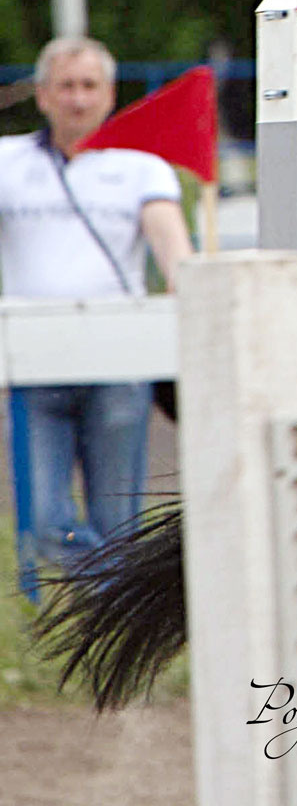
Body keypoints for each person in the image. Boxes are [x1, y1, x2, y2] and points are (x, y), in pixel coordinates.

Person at [0, 36, 191, 578]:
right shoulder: (7, 161)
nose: (78, 99)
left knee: (118, 523)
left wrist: (189, 291)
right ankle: (115, 597)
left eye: (89, 86)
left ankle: (106, 605)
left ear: (110, 94)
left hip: (118, 364)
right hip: (35, 363)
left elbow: (173, 252)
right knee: (43, 523)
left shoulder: (141, 167)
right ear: (42, 95)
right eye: (66, 86)